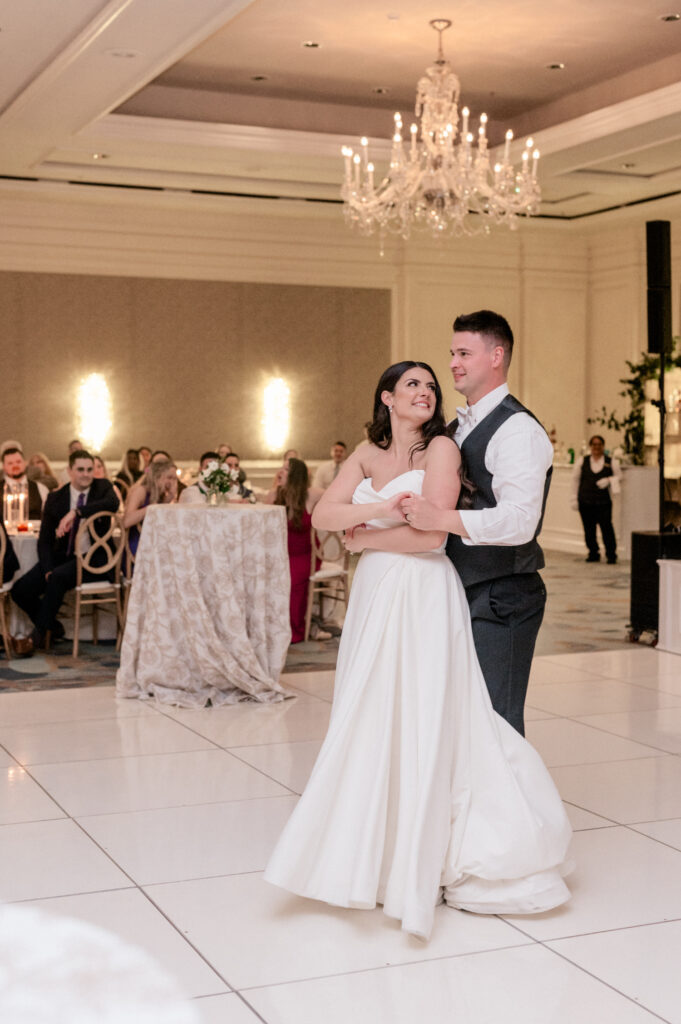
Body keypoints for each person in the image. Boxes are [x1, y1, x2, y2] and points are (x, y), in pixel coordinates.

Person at [264, 361, 571, 941]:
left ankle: (426, 856)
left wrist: (365, 537)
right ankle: (370, 850)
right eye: (414, 385)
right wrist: (377, 512)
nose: (427, 392)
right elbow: (321, 513)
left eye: (431, 386)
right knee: (370, 711)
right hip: (377, 592)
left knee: (427, 714)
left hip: (424, 589)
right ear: (387, 397)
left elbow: (432, 535)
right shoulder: (366, 451)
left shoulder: (443, 451)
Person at [401, 310, 553, 738]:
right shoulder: (455, 428)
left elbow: (520, 521)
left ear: (496, 356)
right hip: (459, 589)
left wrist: (440, 519)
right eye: (452, 352)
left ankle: (510, 806)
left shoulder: (518, 430)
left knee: (496, 723)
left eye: (464, 353)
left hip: (503, 594)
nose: (452, 362)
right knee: (461, 720)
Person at [11, 450, 118, 649]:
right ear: (70, 471)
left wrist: (76, 513)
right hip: (65, 557)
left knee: (58, 577)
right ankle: (54, 627)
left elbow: (113, 503)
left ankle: (35, 638)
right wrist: (48, 568)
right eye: (80, 470)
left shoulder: (102, 487)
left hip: (95, 559)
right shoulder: (56, 498)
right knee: (21, 590)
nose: (86, 474)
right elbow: (44, 541)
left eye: (89, 469)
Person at [265, 458, 325, 643]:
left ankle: (294, 630)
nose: (280, 471)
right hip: (280, 554)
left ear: (295, 475)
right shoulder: (275, 495)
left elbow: (338, 497)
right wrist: (278, 485)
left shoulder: (311, 495)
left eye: (285, 469)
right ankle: (272, 628)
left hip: (305, 555)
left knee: (292, 580)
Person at [572, 434, 620, 563]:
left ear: (603, 446)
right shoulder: (583, 461)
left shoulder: (611, 462)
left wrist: (609, 480)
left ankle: (611, 554)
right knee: (589, 529)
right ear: (590, 446)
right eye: (594, 444)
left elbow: (619, 476)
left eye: (599, 444)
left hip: (603, 502)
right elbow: (575, 480)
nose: (596, 447)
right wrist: (574, 498)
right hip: (585, 500)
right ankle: (593, 552)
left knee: (607, 528)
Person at [123, 459, 178, 557]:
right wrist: (151, 508)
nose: (172, 482)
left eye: (174, 479)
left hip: (153, 543)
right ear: (157, 477)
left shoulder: (159, 494)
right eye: (169, 477)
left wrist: (170, 497)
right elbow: (126, 521)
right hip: (138, 545)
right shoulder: (141, 491)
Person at [1, 446, 49, 519]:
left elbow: (48, 516)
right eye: (10, 463)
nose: (15, 465)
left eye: (18, 462)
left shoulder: (40, 488)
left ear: (25, 463)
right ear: (4, 467)